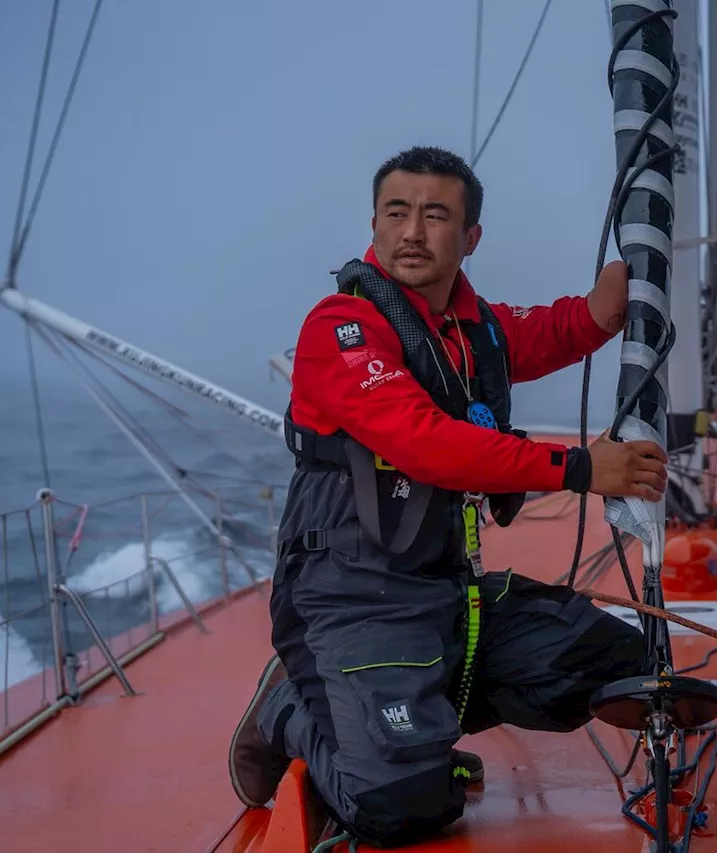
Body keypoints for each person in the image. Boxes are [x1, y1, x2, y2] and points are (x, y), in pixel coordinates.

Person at [227, 146, 665, 847]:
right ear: (373, 223)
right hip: (351, 601)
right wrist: (581, 468)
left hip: (444, 597)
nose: (412, 232)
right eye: (396, 213)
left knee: (617, 666)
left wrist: (610, 304)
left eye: (436, 215)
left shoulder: (471, 329)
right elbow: (424, 442)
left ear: (470, 239)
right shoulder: (339, 327)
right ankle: (290, 706)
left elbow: (551, 330)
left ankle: (403, 728)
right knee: (404, 805)